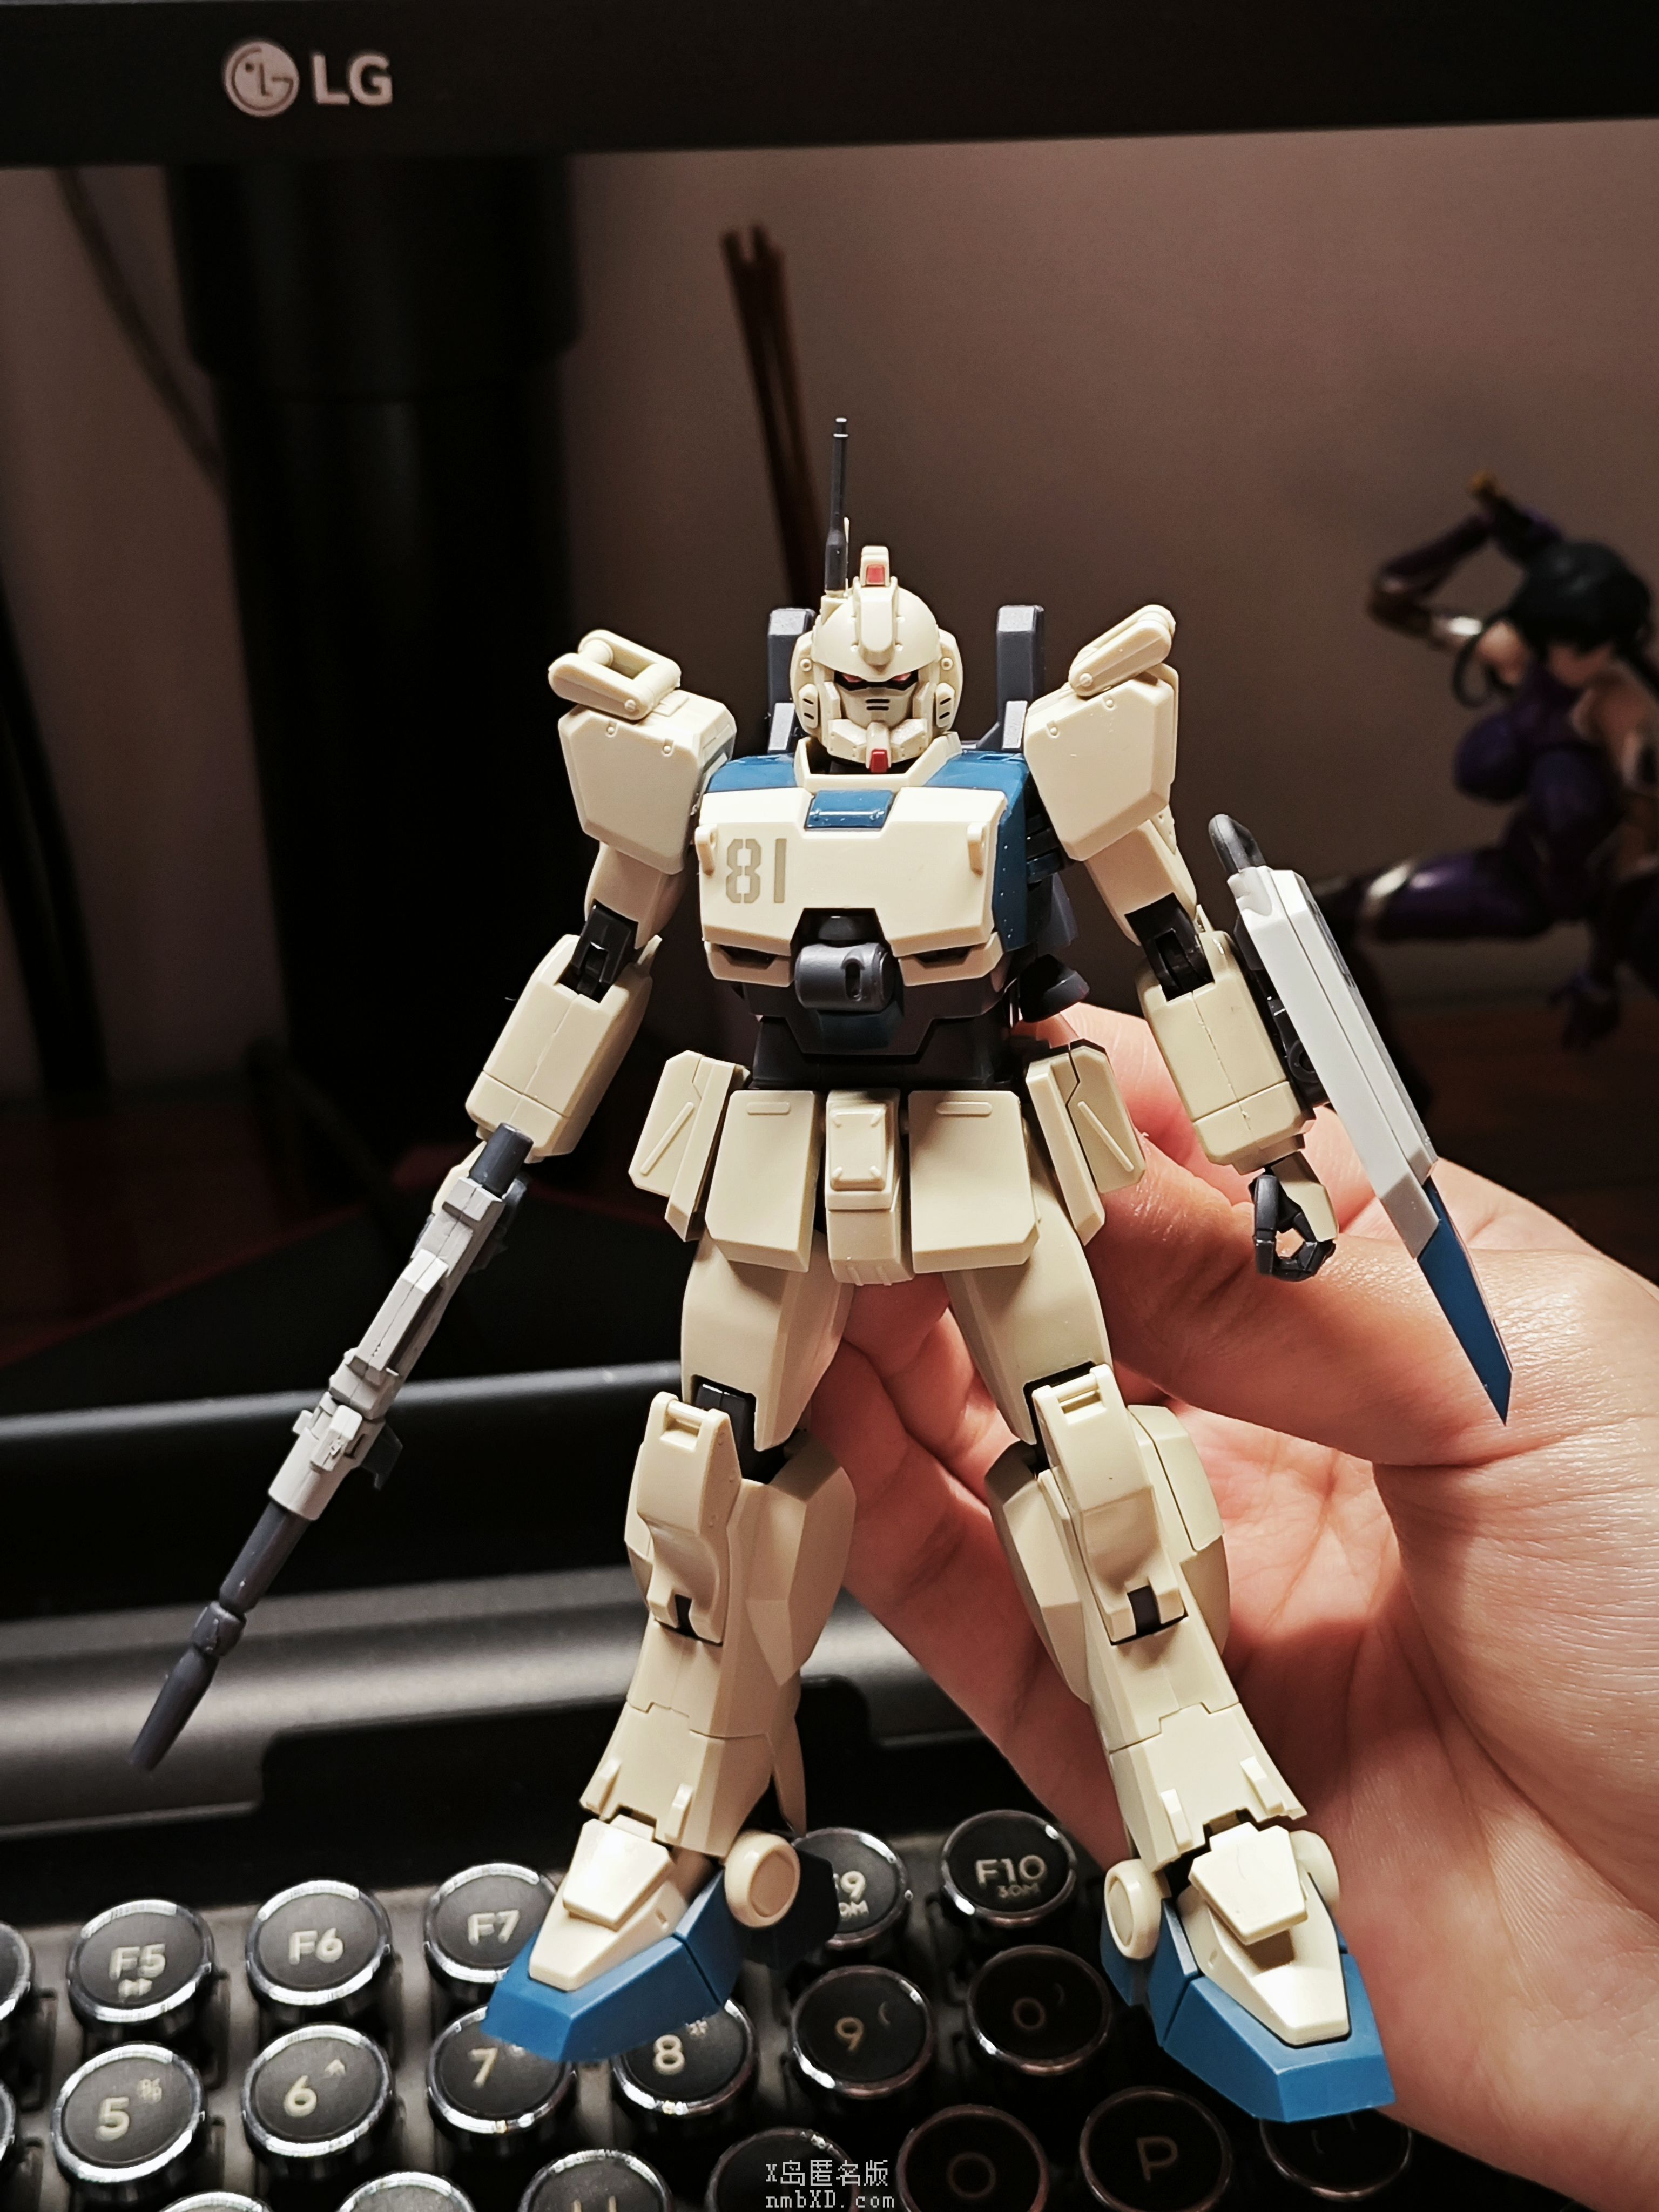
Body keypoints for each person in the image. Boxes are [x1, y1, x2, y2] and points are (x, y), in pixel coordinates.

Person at [815, 996, 1659, 2212]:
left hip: (988, 1144)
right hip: (825, 1136)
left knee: (1095, 1478)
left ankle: (1231, 1871)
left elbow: (1176, 938)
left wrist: (1269, 1159)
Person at [1320, 482, 1659, 1082]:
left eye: (1600, 643)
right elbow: (1392, 599)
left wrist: (1602, 972)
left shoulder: (1620, 706)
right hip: (1524, 875)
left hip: (1620, 898)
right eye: (1571, 641)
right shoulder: (1517, 654)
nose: (1584, 656)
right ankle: (1397, 1094)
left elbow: (1641, 843)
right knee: (1329, 913)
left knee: (1569, 791)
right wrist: (1474, 533)